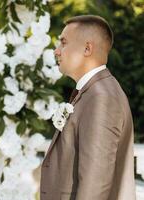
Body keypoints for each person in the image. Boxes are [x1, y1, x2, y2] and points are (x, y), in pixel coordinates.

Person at [40, 15, 136, 200]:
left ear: (87, 48)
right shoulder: (91, 92)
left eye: (63, 43)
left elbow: (95, 184)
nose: (56, 51)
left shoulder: (102, 97)